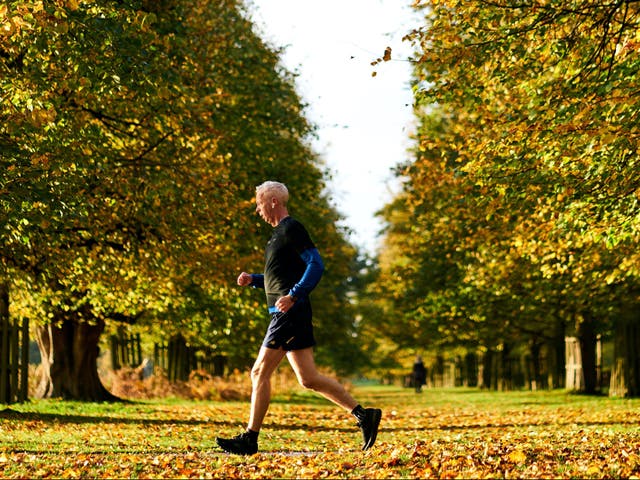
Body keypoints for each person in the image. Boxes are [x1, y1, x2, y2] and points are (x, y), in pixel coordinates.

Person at [216, 181, 381, 455]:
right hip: (290, 311)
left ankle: (250, 438)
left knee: (259, 372)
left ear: (273, 202)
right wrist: (254, 280)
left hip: (288, 313)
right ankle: (365, 416)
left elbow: (316, 264)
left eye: (259, 204)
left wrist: (293, 296)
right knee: (309, 378)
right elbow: (278, 277)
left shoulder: (291, 228)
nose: (258, 210)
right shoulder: (277, 235)